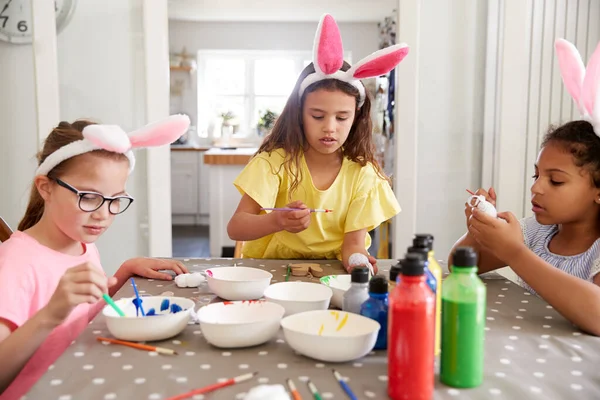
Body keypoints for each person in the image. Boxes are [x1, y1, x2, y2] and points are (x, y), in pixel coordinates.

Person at [0, 115, 191, 398]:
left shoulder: (82, 245)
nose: (103, 214)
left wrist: (122, 273)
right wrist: (50, 315)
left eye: (115, 200)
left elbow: (79, 316)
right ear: (45, 187)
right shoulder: (15, 263)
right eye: (89, 197)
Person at [227, 14, 408, 271]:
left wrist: (357, 262)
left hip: (332, 272)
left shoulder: (364, 174)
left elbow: (353, 245)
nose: (330, 128)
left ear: (356, 118)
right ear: (299, 113)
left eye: (342, 117)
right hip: (271, 270)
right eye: (318, 116)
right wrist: (277, 222)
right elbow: (236, 227)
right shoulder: (274, 162)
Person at [451, 38, 600, 335]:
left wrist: (515, 253)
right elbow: (460, 266)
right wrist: (477, 230)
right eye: (536, 176)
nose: (537, 188)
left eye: (555, 180)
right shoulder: (536, 231)